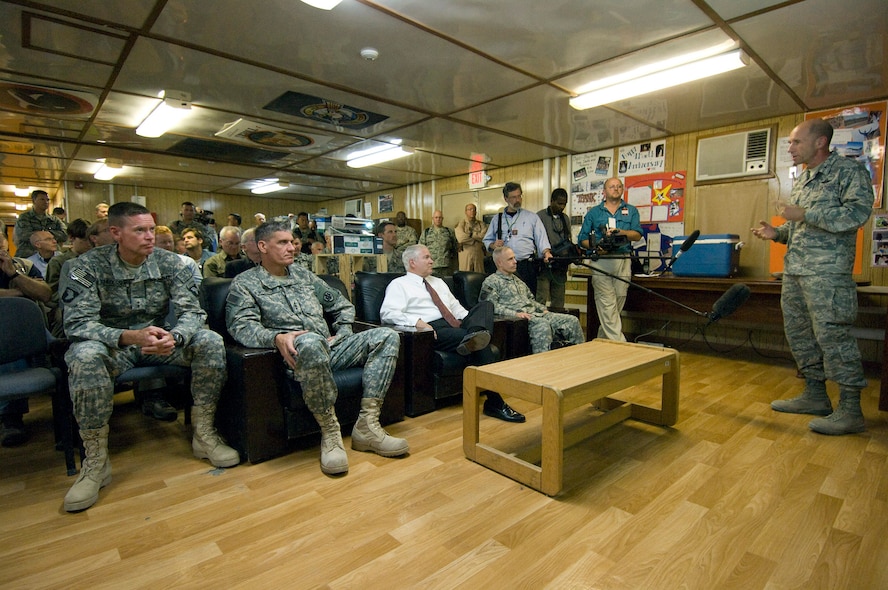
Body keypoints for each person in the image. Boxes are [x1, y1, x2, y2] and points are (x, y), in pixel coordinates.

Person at [60, 202, 239, 512]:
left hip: (160, 343)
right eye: (139, 230)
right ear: (115, 233)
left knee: (209, 341)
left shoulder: (173, 264)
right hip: (114, 346)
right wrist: (127, 336)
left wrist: (176, 336)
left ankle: (204, 434)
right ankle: (96, 461)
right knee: (84, 355)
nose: (148, 237)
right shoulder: (85, 267)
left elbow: (192, 312)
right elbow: (77, 324)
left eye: (150, 230)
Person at [226, 221, 407, 475]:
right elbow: (240, 327)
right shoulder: (246, 283)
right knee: (309, 341)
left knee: (387, 335)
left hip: (329, 349)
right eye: (283, 242)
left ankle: (367, 424)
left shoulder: (304, 276)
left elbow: (342, 307)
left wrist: (343, 332)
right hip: (294, 358)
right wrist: (276, 337)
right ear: (263, 246)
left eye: (292, 242)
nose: (292, 247)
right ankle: (330, 433)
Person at [751, 118, 874, 436]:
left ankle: (850, 409)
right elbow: (798, 228)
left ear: (820, 142)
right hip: (795, 272)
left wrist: (806, 214)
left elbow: (857, 214)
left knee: (834, 337)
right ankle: (815, 395)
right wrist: (776, 232)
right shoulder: (805, 179)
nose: (790, 148)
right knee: (800, 334)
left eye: (795, 142)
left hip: (828, 275)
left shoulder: (848, 172)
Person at [380, 244, 525, 423]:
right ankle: (495, 402)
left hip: (458, 325)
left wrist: (473, 322)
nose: (432, 260)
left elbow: (456, 308)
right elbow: (388, 313)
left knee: (486, 306)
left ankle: (475, 335)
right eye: (426, 257)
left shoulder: (438, 282)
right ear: (412, 262)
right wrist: (418, 323)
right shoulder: (399, 285)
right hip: (431, 330)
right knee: (482, 345)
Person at [481, 247, 584, 354]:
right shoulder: (491, 282)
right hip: (519, 320)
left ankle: (578, 357)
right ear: (500, 263)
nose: (515, 262)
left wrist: (543, 309)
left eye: (514, 258)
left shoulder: (518, 281)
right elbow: (490, 306)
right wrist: (515, 314)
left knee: (572, 320)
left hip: (536, 314)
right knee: (542, 324)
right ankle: (542, 364)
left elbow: (531, 300)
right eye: (510, 259)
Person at [0, 232, 51, 447]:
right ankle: (10, 417)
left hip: (22, 335)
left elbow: (45, 293)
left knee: (12, 344)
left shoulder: (22, 266)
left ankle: (11, 417)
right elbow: (31, 292)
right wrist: (22, 293)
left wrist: (14, 276)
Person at [578, 177, 642, 341]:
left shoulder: (631, 210)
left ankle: (602, 340)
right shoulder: (594, 213)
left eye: (619, 186)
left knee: (618, 300)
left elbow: (637, 234)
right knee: (606, 303)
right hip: (602, 260)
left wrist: (620, 232)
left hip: (623, 259)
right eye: (612, 186)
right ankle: (620, 344)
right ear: (604, 191)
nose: (616, 189)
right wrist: (596, 246)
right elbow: (582, 239)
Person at [482, 182, 552, 294]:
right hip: (504, 267)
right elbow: (487, 240)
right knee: (507, 297)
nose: (517, 200)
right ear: (506, 198)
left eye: (519, 196)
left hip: (526, 266)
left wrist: (546, 252)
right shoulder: (497, 219)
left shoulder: (531, 217)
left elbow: (541, 238)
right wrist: (493, 245)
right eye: (513, 197)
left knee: (528, 297)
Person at [536, 188, 573, 309]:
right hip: (544, 265)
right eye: (559, 203)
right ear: (552, 201)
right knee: (541, 298)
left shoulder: (565, 218)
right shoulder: (540, 216)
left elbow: (568, 239)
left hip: (560, 266)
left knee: (558, 300)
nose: (562, 207)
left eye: (564, 204)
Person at [13, 189, 67, 258]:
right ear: (34, 201)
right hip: (28, 255)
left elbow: (64, 235)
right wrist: (50, 235)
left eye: (47, 200)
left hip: (51, 256)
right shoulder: (24, 218)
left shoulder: (54, 220)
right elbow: (23, 235)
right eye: (42, 199)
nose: (46, 202)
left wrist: (41, 235)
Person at [419, 210, 458, 276]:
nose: (438, 219)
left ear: (442, 219)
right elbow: (421, 249)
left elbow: (454, 248)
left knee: (446, 285)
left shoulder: (448, 232)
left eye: (440, 217)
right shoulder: (426, 232)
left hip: (445, 266)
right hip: (431, 265)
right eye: (436, 217)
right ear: (433, 218)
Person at [455, 203, 487, 273]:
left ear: (476, 212)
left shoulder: (481, 224)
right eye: (469, 209)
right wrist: (475, 239)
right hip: (465, 254)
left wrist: (471, 234)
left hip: (478, 254)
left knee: (479, 275)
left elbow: (484, 237)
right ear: (465, 212)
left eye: (474, 210)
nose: (472, 211)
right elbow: (461, 238)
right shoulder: (461, 224)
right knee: (465, 276)